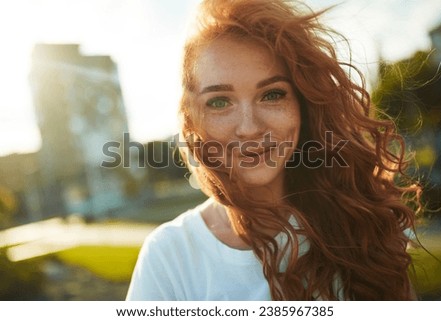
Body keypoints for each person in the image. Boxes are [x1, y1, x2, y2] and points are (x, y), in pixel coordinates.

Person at [127, 0, 420, 300]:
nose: (249, 127)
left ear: (303, 105)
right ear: (192, 123)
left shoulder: (364, 224)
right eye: (219, 101)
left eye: (272, 95)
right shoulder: (168, 258)